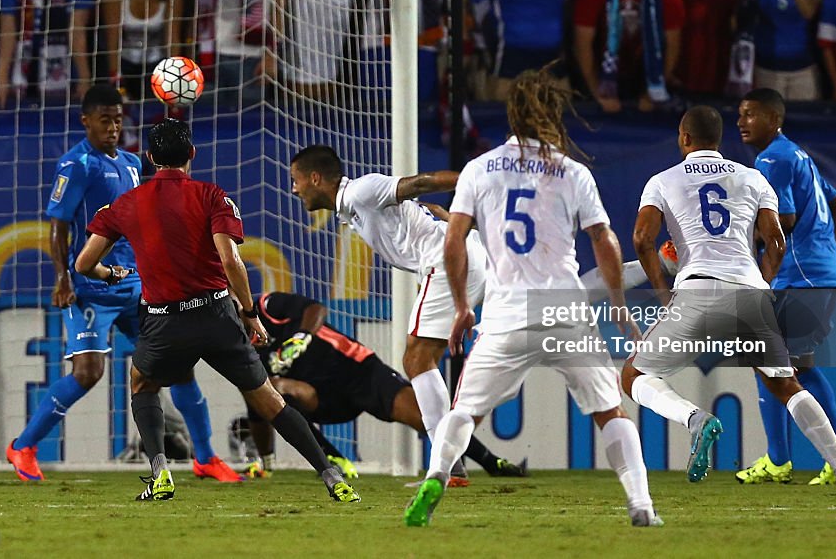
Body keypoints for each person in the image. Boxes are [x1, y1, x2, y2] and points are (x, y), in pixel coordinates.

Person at [404, 69, 661, 528]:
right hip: (565, 308)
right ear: (552, 115)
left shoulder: (480, 168)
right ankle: (641, 505)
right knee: (609, 411)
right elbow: (604, 240)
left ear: (511, 114)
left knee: (465, 411)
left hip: (506, 314)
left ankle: (437, 475)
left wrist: (463, 306)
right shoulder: (571, 171)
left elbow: (453, 241)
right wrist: (618, 305)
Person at [74, 118, 360, 502]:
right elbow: (231, 261)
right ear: (192, 153)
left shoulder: (127, 203)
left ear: (150, 157)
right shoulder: (212, 196)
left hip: (164, 322)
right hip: (217, 316)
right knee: (269, 400)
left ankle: (160, 473)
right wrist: (249, 313)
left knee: (142, 383)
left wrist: (110, 274)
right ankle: (331, 475)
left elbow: (82, 264)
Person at [622, 105, 836, 495]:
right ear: (719, 141)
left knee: (633, 375)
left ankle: (694, 420)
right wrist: (764, 283)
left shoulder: (662, 181)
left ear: (684, 139)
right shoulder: (752, 177)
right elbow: (775, 240)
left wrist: (661, 291)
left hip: (696, 291)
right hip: (751, 293)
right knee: (786, 385)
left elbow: (641, 238)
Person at [5, 86, 243, 485]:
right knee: (88, 372)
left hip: (133, 284)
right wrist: (63, 277)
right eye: (104, 119)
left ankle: (205, 457)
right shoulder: (76, 164)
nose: (113, 127)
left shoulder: (132, 163)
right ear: (86, 121)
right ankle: (24, 447)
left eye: (118, 119)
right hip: (90, 285)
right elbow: (58, 226)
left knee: (179, 367)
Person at [289, 145, 519, 485]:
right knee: (424, 359)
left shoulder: (362, 190)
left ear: (315, 178)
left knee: (416, 360)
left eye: (295, 180)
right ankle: (452, 465)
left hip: (447, 261)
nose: (293, 189)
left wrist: (477, 182)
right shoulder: (352, 209)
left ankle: (448, 466)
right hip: (461, 259)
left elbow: (421, 183)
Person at [244, 291, 527, 480]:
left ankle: (491, 462)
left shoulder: (264, 307)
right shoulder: (239, 349)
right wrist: (266, 460)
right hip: (318, 398)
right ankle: (332, 461)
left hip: (358, 371)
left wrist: (301, 337)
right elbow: (258, 407)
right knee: (272, 390)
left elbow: (314, 309)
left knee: (424, 416)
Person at [735, 88, 836, 485]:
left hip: (800, 273)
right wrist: (830, 252)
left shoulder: (771, 158)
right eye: (739, 114)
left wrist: (745, 242)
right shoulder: (799, 155)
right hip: (820, 271)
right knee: (797, 365)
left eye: (751, 114)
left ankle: (781, 460)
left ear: (775, 119)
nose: (742, 122)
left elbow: (785, 220)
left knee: (770, 361)